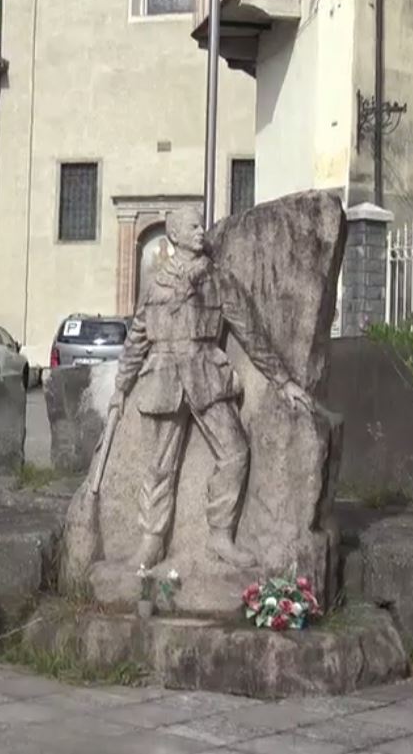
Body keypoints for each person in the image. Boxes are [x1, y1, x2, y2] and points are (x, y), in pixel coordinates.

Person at [108, 206, 313, 569]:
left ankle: (220, 535)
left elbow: (249, 333)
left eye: (201, 225)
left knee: (235, 452)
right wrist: (121, 388)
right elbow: (137, 338)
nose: (200, 231)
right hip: (163, 379)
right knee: (157, 467)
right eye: (192, 226)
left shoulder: (217, 279)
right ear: (173, 235)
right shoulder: (155, 283)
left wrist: (283, 381)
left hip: (206, 375)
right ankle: (151, 542)